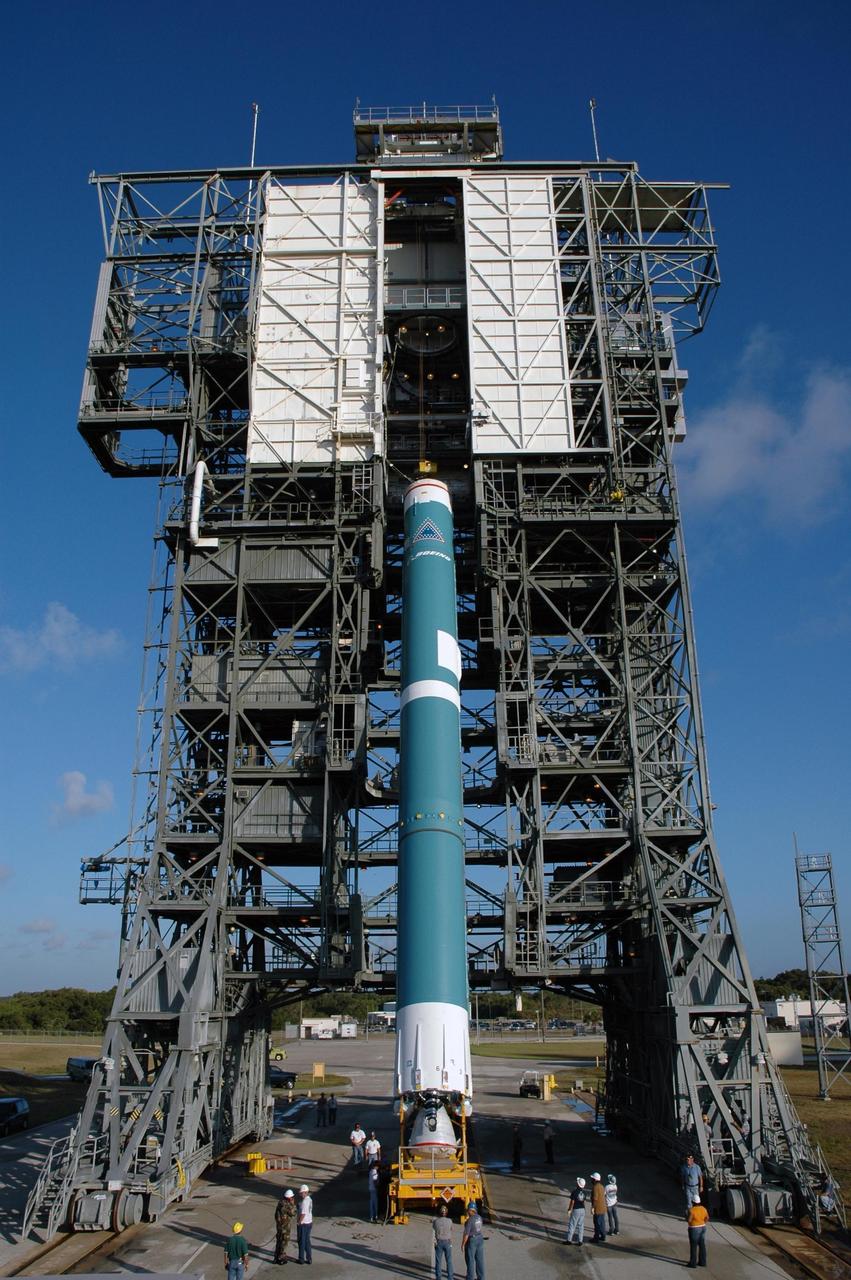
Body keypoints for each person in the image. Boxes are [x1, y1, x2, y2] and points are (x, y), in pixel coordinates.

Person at [462, 1200, 485, 1280]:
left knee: (470, 1260)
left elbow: (466, 1234)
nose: (467, 1212)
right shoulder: (479, 1217)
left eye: (468, 1210)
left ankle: (470, 1277)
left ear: (471, 1210)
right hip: (480, 1238)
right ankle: (481, 1278)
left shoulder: (470, 1220)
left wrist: (463, 1244)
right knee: (479, 1260)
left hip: (472, 1240)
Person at [432, 1202, 453, 1280]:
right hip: (447, 1242)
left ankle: (438, 1277)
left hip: (439, 1242)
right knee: (449, 1261)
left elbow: (434, 1228)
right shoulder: (450, 1221)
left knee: (438, 1261)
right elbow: (451, 1229)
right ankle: (450, 1277)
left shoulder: (436, 1221)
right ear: (446, 1213)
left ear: (440, 1213)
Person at [687, 1195, 709, 1267]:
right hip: (703, 1227)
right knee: (702, 1245)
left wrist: (686, 1217)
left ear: (693, 1202)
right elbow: (707, 1218)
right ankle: (703, 1262)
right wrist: (703, 1223)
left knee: (693, 1246)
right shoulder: (703, 1208)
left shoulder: (691, 1210)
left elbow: (689, 1220)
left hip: (694, 1229)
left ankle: (693, 1263)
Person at [274, 1190, 296, 1264]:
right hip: (285, 1227)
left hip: (279, 1226)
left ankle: (276, 1257)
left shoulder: (280, 1203)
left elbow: (276, 1215)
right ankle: (281, 1257)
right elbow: (293, 1213)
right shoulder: (287, 1205)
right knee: (284, 1242)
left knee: (279, 1241)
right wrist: (293, 1204)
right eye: (292, 1197)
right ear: (289, 1198)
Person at [680, 1153, 703, 1217]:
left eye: (689, 1160)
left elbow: (700, 1177)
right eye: (687, 1160)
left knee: (696, 1201)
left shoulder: (697, 1167)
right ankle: (690, 1215)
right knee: (689, 1202)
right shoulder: (684, 1167)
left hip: (695, 1187)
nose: (688, 1161)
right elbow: (683, 1177)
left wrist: (701, 1186)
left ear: (692, 1160)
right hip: (688, 1187)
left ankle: (697, 1214)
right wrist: (682, 1184)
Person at [565, 1177, 586, 1245]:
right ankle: (580, 1241)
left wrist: (569, 1209)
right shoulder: (584, 1192)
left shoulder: (574, 1192)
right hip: (582, 1209)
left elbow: (572, 1202)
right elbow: (584, 1202)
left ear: (578, 1184)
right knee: (581, 1226)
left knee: (572, 1224)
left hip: (576, 1209)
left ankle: (569, 1240)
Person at [297, 1184, 313, 1265]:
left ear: (305, 1192)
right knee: (307, 1241)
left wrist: (299, 1222)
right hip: (309, 1222)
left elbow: (303, 1214)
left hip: (303, 1224)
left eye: (301, 1193)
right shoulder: (310, 1199)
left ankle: (301, 1259)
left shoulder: (304, 1202)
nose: (300, 1194)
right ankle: (309, 1258)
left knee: (301, 1241)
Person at [590, 1172, 607, 1242]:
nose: (591, 1180)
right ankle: (603, 1236)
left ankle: (596, 1238)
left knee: (597, 1223)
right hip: (603, 1208)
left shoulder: (595, 1187)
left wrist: (593, 1208)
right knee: (602, 1223)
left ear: (595, 1180)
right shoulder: (602, 1186)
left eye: (592, 1179)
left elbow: (595, 1199)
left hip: (598, 1209)